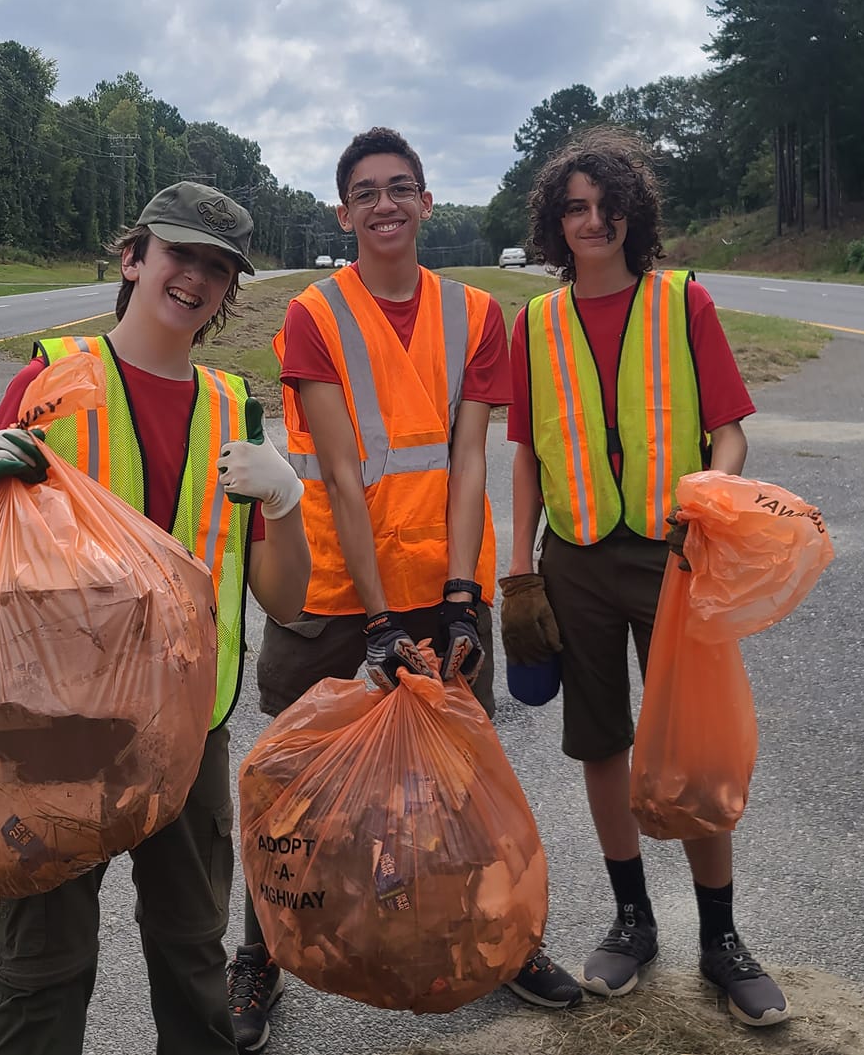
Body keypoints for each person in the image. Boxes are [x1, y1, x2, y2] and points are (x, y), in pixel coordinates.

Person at [225, 127, 584, 1052]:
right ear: (344, 215)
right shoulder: (312, 315)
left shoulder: (473, 314)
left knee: (458, 782)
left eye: (403, 188)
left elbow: (469, 457)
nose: (386, 204)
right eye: (367, 192)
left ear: (427, 203)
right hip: (338, 589)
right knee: (295, 781)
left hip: (440, 583)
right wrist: (380, 621)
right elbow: (342, 474)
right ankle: (260, 947)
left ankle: (500, 942)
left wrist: (462, 594)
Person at [0, 181, 313, 1055]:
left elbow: (284, 599)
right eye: (179, 254)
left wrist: (285, 504)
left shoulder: (239, 410)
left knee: (194, 959)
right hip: (55, 728)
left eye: (218, 267)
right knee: (38, 971)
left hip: (188, 734)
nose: (195, 278)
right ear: (134, 258)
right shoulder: (46, 383)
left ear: (230, 288)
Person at [497, 127, 787, 1026]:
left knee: (691, 747)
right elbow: (525, 457)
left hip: (673, 555)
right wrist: (519, 568)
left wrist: (713, 489)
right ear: (555, 222)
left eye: (606, 204)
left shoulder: (682, 303)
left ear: (634, 213)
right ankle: (632, 920)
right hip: (574, 558)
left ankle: (721, 937)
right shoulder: (535, 325)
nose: (593, 220)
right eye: (574, 207)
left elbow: (730, 425)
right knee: (600, 741)